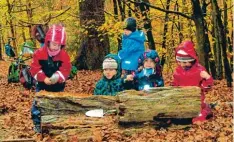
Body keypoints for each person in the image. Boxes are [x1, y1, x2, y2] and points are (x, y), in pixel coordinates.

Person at [30, 24, 72, 133]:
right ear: (48, 41)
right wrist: (43, 78)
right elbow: (34, 69)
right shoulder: (39, 54)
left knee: (57, 104)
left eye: (59, 45)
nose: (56, 47)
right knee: (38, 104)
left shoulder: (64, 56)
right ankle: (37, 123)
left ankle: (55, 122)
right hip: (42, 86)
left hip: (58, 86)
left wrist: (58, 76)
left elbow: (66, 70)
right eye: (54, 44)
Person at [171, 40, 213, 124]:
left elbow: (206, 88)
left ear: (192, 60)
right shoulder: (177, 71)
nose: (183, 65)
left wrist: (207, 78)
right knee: (177, 117)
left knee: (199, 115)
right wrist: (173, 89)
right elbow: (175, 85)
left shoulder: (199, 70)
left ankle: (206, 110)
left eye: (186, 62)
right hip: (183, 99)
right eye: (180, 62)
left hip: (197, 99)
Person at [118, 17, 145, 89]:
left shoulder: (132, 40)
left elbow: (127, 51)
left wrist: (119, 55)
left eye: (127, 30)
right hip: (129, 65)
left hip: (132, 66)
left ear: (132, 30)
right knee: (127, 82)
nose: (125, 31)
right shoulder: (129, 38)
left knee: (130, 83)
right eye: (124, 29)